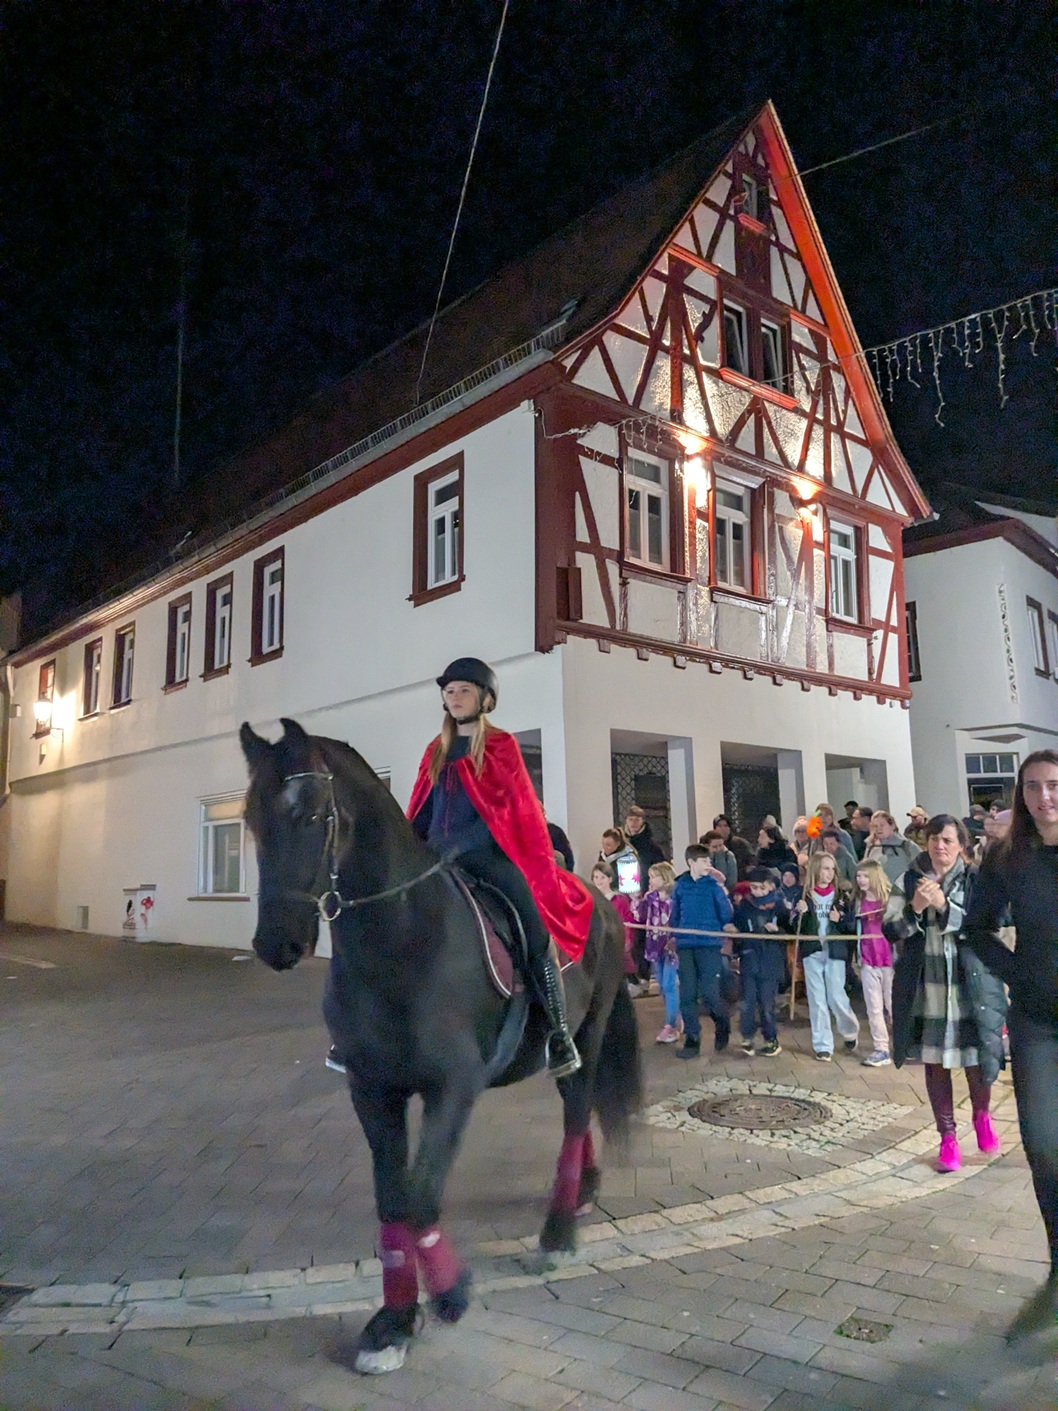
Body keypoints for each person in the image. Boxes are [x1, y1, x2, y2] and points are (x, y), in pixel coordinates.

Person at [408, 657, 589, 1077]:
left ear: (485, 699)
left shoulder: (501, 746)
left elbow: (511, 808)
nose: (454, 698)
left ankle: (559, 1034)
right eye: (449, 691)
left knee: (532, 926)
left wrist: (461, 847)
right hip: (436, 859)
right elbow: (423, 809)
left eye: (464, 691)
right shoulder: (434, 751)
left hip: (488, 858)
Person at [964, 751, 1058, 1342]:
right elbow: (977, 927)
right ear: (1021, 797)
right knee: (1044, 1145)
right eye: (1033, 788)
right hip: (1038, 1022)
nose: (1045, 797)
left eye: (1054, 785)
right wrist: (1017, 969)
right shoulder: (1010, 859)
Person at [888, 814, 1006, 1174]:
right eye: (935, 838)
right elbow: (891, 929)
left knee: (975, 1056)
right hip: (929, 985)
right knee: (935, 1062)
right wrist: (916, 909)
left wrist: (944, 906)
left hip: (969, 983)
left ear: (962, 846)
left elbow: (987, 925)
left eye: (948, 840)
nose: (940, 846)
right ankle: (947, 1137)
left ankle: (982, 1115)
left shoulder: (976, 879)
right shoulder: (909, 878)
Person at [791, 851, 859, 1061]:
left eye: (832, 869)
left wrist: (840, 919)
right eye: (825, 868)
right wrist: (798, 913)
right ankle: (823, 1045)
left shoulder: (840, 896)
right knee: (817, 999)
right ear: (816, 870)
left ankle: (849, 1031)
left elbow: (851, 925)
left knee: (836, 996)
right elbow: (795, 927)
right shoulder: (804, 895)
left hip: (835, 951)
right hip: (812, 951)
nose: (829, 873)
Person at [670, 843, 734, 1059]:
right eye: (704, 861)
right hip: (686, 945)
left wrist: (727, 925)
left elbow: (725, 912)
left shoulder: (713, 887)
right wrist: (673, 935)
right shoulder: (680, 886)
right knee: (687, 994)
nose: (708, 865)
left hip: (709, 944)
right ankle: (692, 1038)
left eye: (709, 861)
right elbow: (675, 914)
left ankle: (722, 1024)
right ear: (691, 863)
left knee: (709, 993)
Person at [840, 859, 895, 1066]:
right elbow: (849, 924)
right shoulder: (857, 901)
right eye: (858, 876)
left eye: (865, 876)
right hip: (867, 959)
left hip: (888, 959)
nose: (861, 880)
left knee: (892, 1005)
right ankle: (881, 1048)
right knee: (873, 1007)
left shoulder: (889, 899)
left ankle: (900, 1043)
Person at [729, 866, 785, 1057]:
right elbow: (738, 926)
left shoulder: (779, 906)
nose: (757, 891)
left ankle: (771, 1038)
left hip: (770, 960)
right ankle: (747, 1037)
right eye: (753, 887)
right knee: (747, 1000)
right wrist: (734, 931)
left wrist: (778, 931)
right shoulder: (745, 906)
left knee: (767, 1002)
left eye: (761, 887)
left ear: (770, 886)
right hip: (749, 957)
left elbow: (790, 930)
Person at [635, 862, 680, 1042]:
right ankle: (675, 1016)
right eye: (650, 877)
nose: (651, 880)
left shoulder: (675, 898)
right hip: (654, 945)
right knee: (662, 984)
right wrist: (636, 900)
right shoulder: (651, 897)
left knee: (669, 984)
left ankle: (670, 1025)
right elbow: (639, 916)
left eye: (655, 876)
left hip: (670, 947)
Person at [591, 860, 638, 988]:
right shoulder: (591, 899)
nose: (599, 881)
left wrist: (627, 939)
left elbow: (627, 921)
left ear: (610, 879)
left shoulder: (619, 900)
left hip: (616, 940)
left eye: (602, 877)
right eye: (596, 877)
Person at [865, 809, 922, 885]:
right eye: (875, 826)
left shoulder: (907, 846)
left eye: (882, 825)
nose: (879, 829)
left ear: (892, 825)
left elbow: (924, 868)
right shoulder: (873, 848)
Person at [599, 827, 641, 895]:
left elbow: (628, 884)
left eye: (608, 845)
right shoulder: (602, 855)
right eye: (603, 844)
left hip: (622, 895)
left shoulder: (628, 859)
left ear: (618, 844)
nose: (605, 848)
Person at [624, 805, 665, 872]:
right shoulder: (620, 843)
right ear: (626, 821)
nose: (633, 822)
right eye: (631, 819)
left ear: (642, 822)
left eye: (637, 819)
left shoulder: (652, 847)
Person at [712, 814, 754, 879]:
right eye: (719, 826)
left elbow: (752, 862)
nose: (722, 829)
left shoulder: (741, 843)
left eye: (725, 826)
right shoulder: (708, 844)